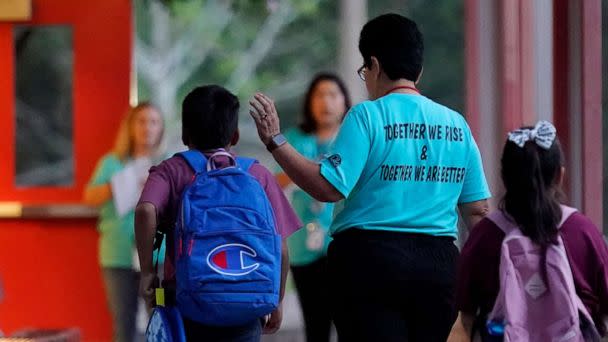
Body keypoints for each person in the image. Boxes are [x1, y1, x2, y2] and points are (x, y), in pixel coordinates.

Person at [249, 13, 491, 342]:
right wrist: (480, 280)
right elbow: (478, 212)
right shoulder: (456, 125)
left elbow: (328, 186)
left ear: (374, 65)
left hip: (370, 262)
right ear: (417, 69)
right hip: (439, 267)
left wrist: (276, 141)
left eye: (364, 71)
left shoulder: (367, 116)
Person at [135, 85, 301, 341]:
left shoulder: (171, 170)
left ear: (184, 134)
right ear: (234, 136)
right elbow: (281, 248)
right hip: (246, 304)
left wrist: (147, 271)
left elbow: (146, 210)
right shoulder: (257, 175)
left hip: (188, 303)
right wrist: (276, 300)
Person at [451, 122, 608, 341]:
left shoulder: (485, 236)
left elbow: (464, 321)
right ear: (559, 176)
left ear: (504, 178)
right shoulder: (583, 232)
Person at [276, 73, 351, 342]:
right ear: (309, 102)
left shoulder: (352, 138)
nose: (326, 102)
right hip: (303, 246)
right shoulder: (292, 140)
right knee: (314, 323)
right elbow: (276, 184)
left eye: (333, 94)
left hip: (344, 243)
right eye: (319, 95)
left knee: (349, 321)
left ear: (345, 102)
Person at [83, 102, 165, 342]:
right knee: (123, 322)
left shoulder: (168, 162)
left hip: (157, 256)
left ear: (161, 128)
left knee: (160, 317)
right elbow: (89, 197)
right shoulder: (112, 163)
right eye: (141, 121)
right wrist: (121, 184)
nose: (147, 128)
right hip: (117, 256)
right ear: (130, 127)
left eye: (153, 122)